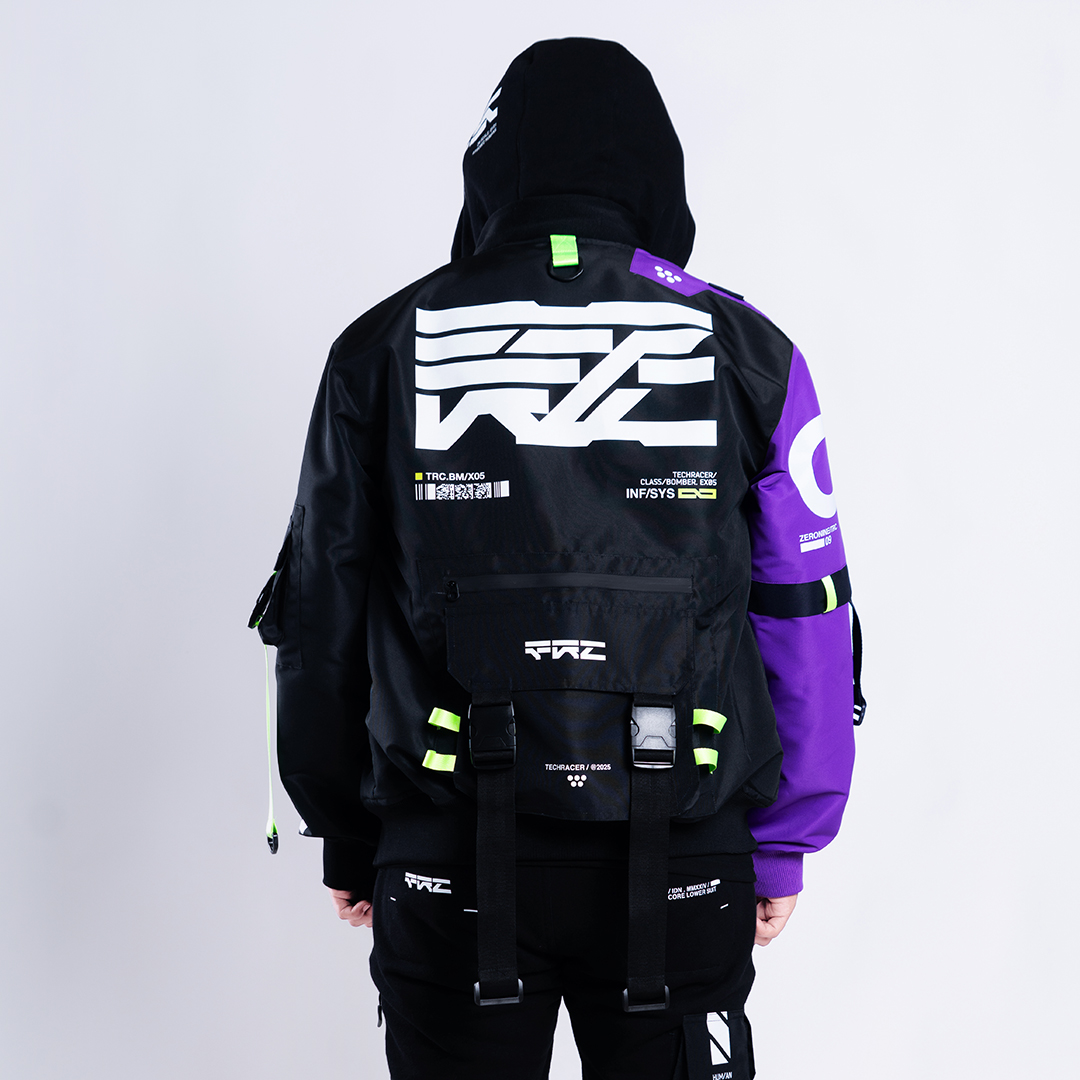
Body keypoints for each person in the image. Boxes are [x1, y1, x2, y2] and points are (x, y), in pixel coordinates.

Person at [250, 37, 860, 1080]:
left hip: (446, 851)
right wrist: (787, 833)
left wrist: (343, 826)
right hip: (686, 846)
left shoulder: (383, 344)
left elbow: (322, 607)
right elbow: (805, 604)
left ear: (489, 169)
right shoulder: (749, 349)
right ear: (656, 170)